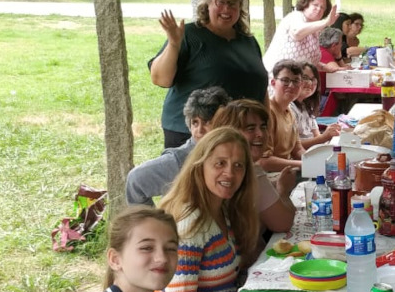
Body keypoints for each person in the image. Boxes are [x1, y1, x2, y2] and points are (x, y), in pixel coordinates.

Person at [149, 126, 260, 292]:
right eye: (220, 163)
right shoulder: (192, 225)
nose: (229, 173)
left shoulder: (220, 210)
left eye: (238, 166)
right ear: (200, 165)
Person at [148, 0, 266, 148]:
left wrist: (266, 125)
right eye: (220, 1)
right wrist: (174, 44)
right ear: (209, 4)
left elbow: (261, 87)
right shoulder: (189, 34)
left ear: (240, 9)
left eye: (233, 4)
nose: (226, 9)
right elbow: (160, 79)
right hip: (194, 133)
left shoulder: (248, 41)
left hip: (237, 133)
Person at [125, 86, 229, 206]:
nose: (199, 130)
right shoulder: (178, 161)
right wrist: (153, 223)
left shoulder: (234, 153)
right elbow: (136, 180)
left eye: (207, 122)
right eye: (195, 122)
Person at [209, 99, 296, 235]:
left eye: (263, 127)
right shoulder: (250, 171)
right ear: (230, 132)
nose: (260, 134)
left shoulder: (213, 162)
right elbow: (282, 223)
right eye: (250, 128)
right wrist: (283, 191)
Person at [262, 0, 337, 71]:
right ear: (305, 4)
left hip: (295, 79)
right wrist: (325, 22)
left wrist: (326, 68)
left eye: (322, 7)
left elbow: (307, 60)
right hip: (276, 77)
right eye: (315, 5)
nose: (319, 9)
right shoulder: (296, 16)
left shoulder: (314, 30)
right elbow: (297, 32)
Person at [260, 59, 305, 175]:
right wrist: (303, 164)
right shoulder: (267, 112)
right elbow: (264, 161)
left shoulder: (290, 112)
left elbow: (297, 149)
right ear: (273, 83)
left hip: (287, 169)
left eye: (296, 81)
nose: (291, 85)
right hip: (270, 176)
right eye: (285, 80)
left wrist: (312, 161)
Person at [293, 63, 336, 147]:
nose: (310, 82)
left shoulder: (307, 106)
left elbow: (317, 136)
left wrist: (330, 134)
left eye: (313, 79)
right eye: (305, 78)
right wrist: (325, 137)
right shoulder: (289, 108)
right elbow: (293, 147)